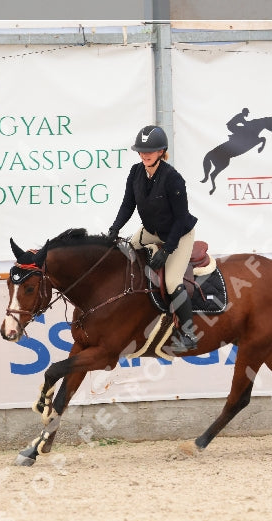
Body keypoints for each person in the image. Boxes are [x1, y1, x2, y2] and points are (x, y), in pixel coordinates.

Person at [107, 125, 200, 353]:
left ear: (161, 151)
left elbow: (180, 219)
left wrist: (167, 251)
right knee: (123, 252)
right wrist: (115, 228)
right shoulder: (135, 172)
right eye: (141, 151)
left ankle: (188, 332)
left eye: (150, 150)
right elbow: (128, 204)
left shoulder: (173, 178)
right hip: (151, 231)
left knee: (171, 282)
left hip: (178, 233)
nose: (144, 154)